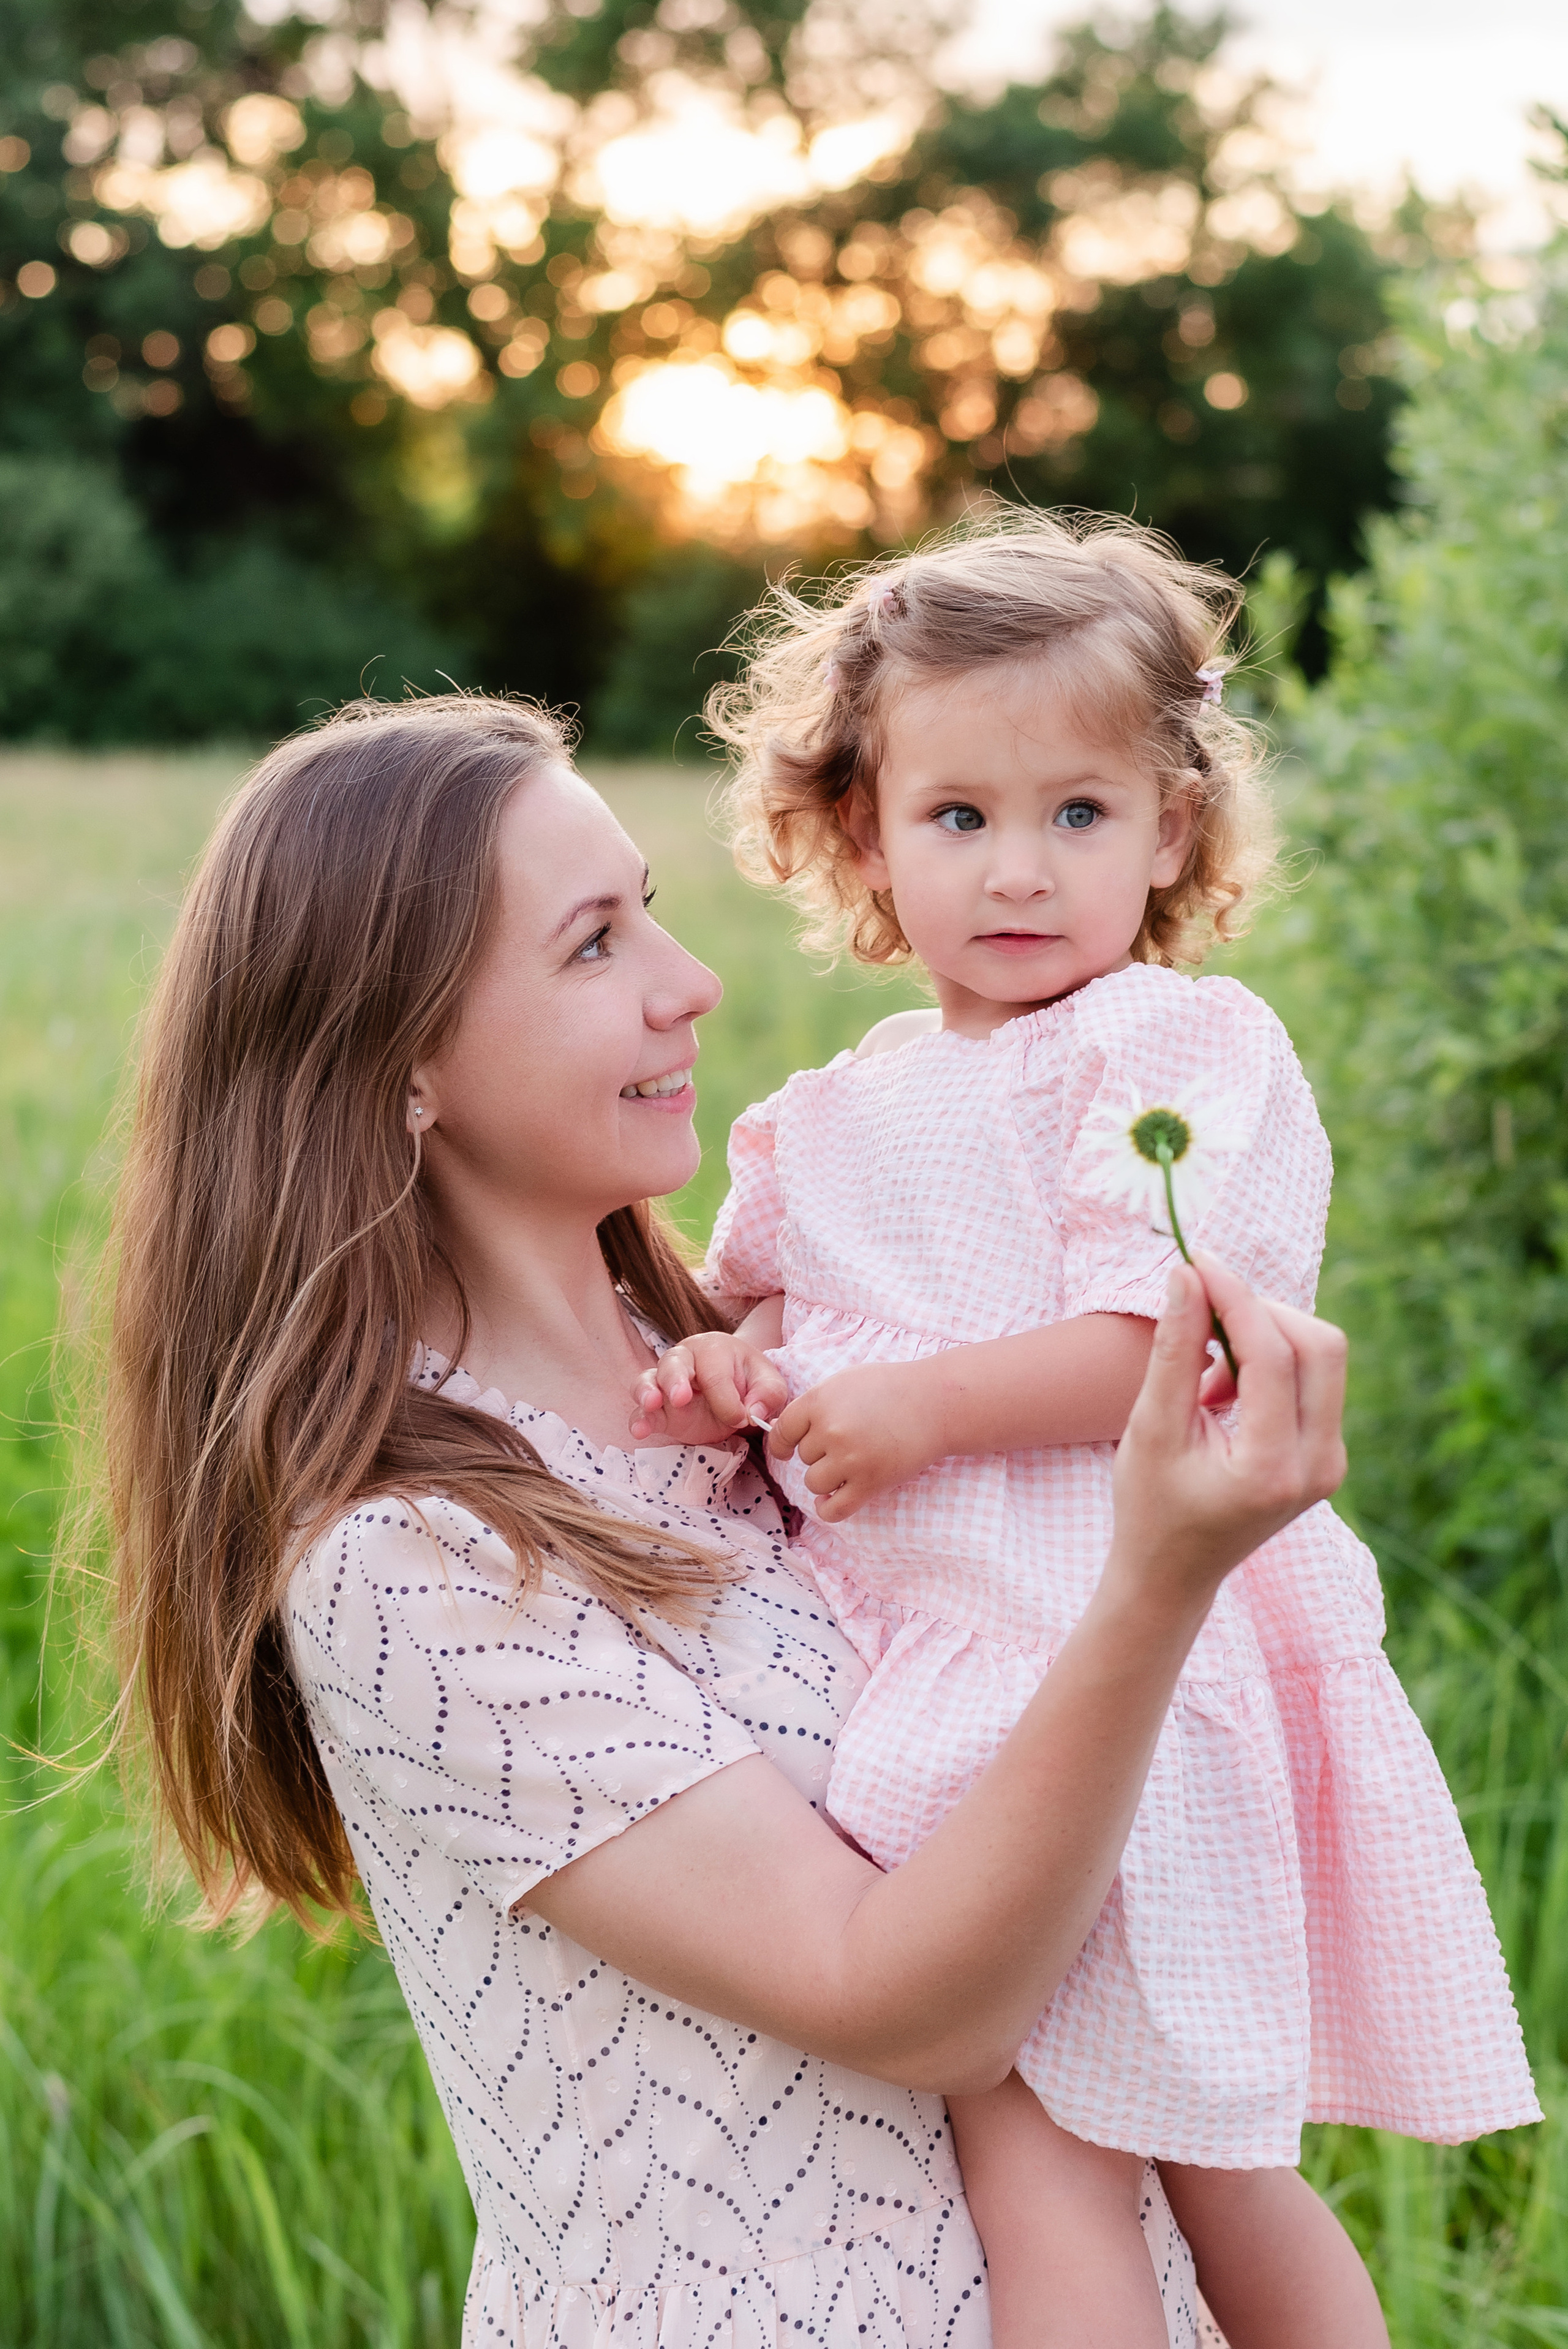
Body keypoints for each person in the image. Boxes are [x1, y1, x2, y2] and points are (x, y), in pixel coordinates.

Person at [104, 694, 1351, 2349]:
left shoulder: (787, 1370)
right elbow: (903, 2000)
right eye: (594, 943)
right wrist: (1157, 1581)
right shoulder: (408, 1555)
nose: (687, 982)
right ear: (401, 1059)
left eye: (654, 910)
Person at [628, 515, 1540, 2348]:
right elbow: (771, 1326)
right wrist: (737, 1374)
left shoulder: (1173, 1051)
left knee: (1116, 2161)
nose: (1021, 870)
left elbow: (1171, 1334)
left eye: (1081, 815)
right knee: (1137, 2156)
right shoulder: (830, 1115)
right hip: (947, 1688)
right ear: (861, 835)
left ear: (1171, 829)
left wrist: (926, 1403)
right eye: (960, 817)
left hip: (1104, 1667)